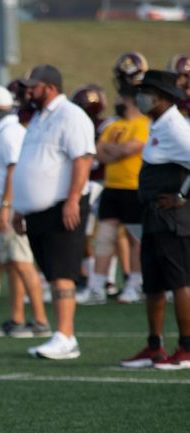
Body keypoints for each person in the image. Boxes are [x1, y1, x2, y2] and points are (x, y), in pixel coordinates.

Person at [12, 65, 95, 360]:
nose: (28, 91)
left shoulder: (70, 115)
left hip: (62, 206)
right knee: (51, 272)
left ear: (50, 87)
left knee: (62, 273)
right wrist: (19, 208)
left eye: (33, 86)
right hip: (38, 211)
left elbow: (83, 159)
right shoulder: (37, 118)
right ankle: (61, 333)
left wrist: (73, 199)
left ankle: (66, 336)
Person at [121, 70, 190, 370]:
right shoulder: (159, 124)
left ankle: (186, 348)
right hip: (154, 215)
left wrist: (183, 197)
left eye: (147, 91)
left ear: (162, 96)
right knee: (154, 284)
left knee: (180, 281)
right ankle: (154, 346)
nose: (141, 97)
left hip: (172, 217)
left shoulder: (176, 126)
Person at [0, 85, 50, 339]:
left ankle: (40, 320)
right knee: (11, 264)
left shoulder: (9, 133)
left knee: (22, 263)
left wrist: (6, 206)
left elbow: (13, 169)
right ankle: (17, 318)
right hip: (5, 203)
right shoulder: (8, 130)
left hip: (10, 205)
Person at [77, 88, 149, 306]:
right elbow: (98, 151)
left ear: (132, 100)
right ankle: (97, 286)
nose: (117, 101)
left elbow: (129, 149)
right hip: (112, 187)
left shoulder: (143, 123)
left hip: (133, 186)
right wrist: (115, 150)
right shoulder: (114, 125)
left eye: (121, 98)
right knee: (104, 237)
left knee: (135, 239)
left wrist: (113, 150)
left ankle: (134, 284)